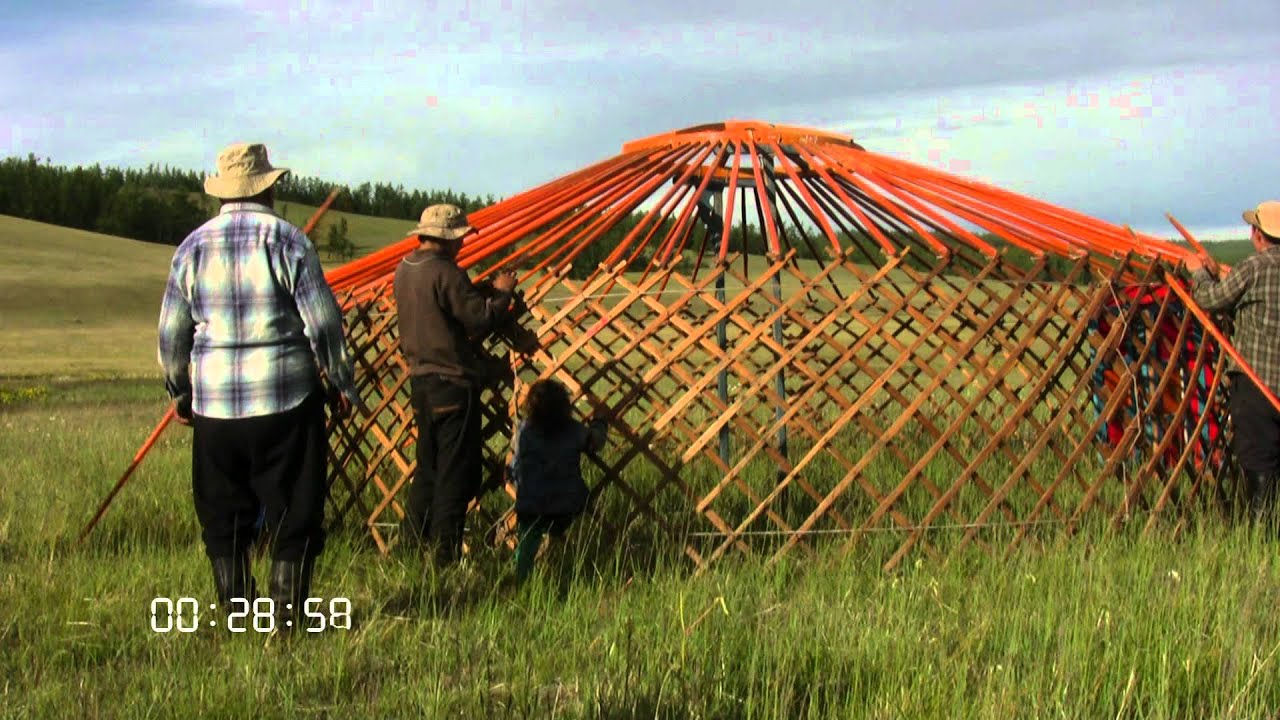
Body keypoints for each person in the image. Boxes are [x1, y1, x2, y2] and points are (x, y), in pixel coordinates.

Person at [157, 142, 358, 629]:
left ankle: (239, 617)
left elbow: (171, 334)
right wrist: (341, 382)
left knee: (222, 515)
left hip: (216, 406)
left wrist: (180, 392)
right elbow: (324, 324)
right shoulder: (289, 241)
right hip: (287, 399)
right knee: (296, 511)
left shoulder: (191, 248)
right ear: (268, 189)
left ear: (222, 193)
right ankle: (285, 622)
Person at [393, 204, 519, 566]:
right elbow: (479, 319)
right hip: (452, 384)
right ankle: (443, 557)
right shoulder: (446, 271)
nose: (462, 244)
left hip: (421, 383)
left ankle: (408, 548)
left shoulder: (405, 269)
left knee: (428, 469)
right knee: (454, 475)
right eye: (460, 238)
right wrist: (503, 293)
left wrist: (477, 289)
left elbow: (440, 308)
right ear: (448, 239)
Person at [1187, 201, 1280, 525]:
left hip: (1257, 384)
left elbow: (1210, 299)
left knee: (1258, 458)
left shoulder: (1253, 267)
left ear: (1257, 234)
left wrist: (1199, 273)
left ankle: (1262, 536)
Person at [509, 379, 608, 582]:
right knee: (567, 515)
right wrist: (599, 422)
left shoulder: (524, 430)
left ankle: (521, 576)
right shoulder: (573, 430)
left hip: (530, 503)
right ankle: (555, 544)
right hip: (566, 504)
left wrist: (511, 475)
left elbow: (515, 462)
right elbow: (595, 442)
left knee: (528, 539)